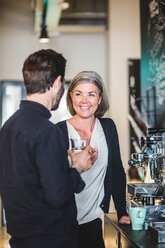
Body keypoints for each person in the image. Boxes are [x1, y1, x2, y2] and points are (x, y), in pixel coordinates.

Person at [0, 50, 98, 248]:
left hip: (20, 239)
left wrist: (66, 161)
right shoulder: (47, 131)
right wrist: (77, 166)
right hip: (52, 240)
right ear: (57, 82)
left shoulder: (8, 127)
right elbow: (58, 195)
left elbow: (27, 175)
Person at [56, 71, 131, 248]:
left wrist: (122, 211)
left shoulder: (108, 127)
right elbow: (51, 181)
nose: (84, 100)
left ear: (99, 99)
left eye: (91, 94)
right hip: (61, 222)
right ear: (71, 97)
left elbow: (117, 171)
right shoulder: (58, 131)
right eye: (79, 93)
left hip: (92, 221)